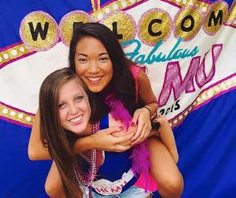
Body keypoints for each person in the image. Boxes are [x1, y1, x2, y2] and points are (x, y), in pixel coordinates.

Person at [28, 22, 183, 197]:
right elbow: (35, 151)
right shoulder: (63, 89)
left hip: (133, 135)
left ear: (114, 59)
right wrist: (91, 142)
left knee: (173, 183)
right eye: (83, 59)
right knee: (53, 187)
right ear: (73, 62)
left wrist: (146, 111)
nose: (93, 70)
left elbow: (153, 104)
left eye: (103, 58)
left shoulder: (134, 76)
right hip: (77, 142)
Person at [38, 67, 152, 197]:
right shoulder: (60, 139)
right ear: (50, 113)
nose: (74, 110)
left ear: (88, 98)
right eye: (61, 105)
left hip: (133, 188)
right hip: (94, 192)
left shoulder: (113, 125)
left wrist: (150, 114)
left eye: (79, 98)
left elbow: (155, 127)